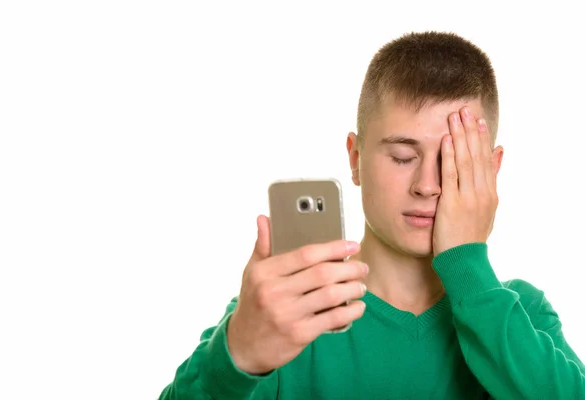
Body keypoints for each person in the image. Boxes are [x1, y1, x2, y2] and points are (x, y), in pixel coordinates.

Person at [158, 31, 585, 399]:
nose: (427, 184)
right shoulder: (288, 311)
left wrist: (467, 264)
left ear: (491, 170)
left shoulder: (522, 314)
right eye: (402, 157)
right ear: (356, 158)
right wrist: (240, 352)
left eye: (454, 161)